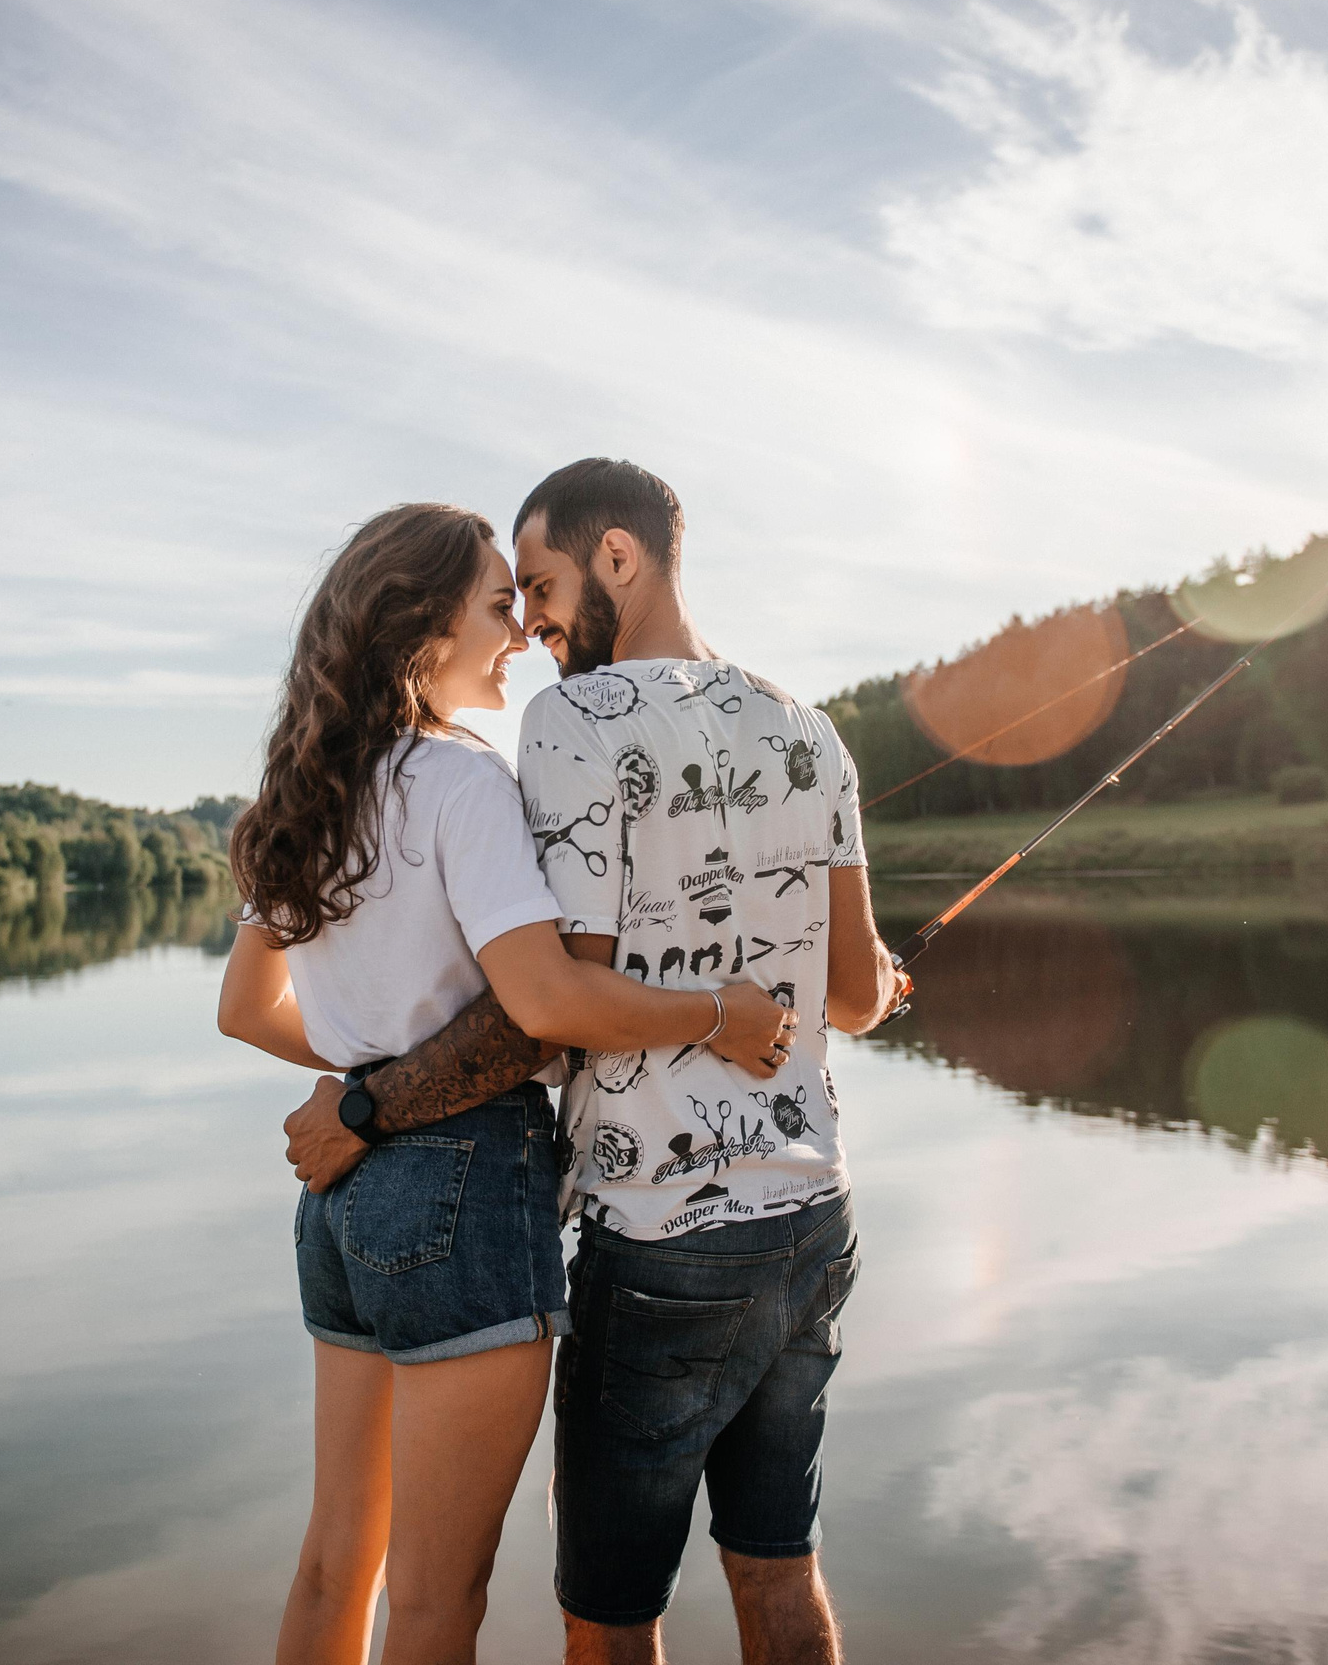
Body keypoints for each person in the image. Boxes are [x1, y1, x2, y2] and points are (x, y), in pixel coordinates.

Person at [282, 463, 909, 1665]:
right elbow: (854, 993)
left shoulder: (570, 723)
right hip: (812, 1220)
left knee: (610, 1615)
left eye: (544, 586)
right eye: (514, 599)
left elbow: (544, 1012)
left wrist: (365, 1103)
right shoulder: (809, 728)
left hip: (660, 1235)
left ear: (620, 556)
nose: (532, 623)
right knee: (783, 1575)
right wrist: (851, 987)